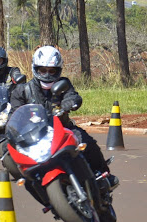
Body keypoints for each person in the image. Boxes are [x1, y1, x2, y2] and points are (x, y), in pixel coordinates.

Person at [10, 45, 119, 191]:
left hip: (63, 128)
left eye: (51, 70)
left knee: (86, 142)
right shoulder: (22, 91)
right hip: (36, 136)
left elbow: (73, 97)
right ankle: (44, 195)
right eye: (43, 70)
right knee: (20, 164)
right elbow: (14, 113)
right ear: (35, 69)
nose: (47, 74)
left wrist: (67, 105)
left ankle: (103, 174)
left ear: (58, 70)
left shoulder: (64, 84)